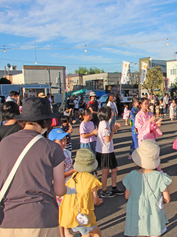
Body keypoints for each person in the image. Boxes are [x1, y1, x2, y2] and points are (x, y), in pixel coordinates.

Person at [0, 97, 66, 236]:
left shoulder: (4, 143)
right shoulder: (53, 148)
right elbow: (60, 190)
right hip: (41, 218)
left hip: (8, 219)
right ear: (46, 121)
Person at [123, 139, 171, 237]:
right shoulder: (160, 177)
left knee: (140, 233)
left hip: (138, 214)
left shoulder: (131, 176)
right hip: (154, 215)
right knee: (155, 232)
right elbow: (167, 199)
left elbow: (127, 196)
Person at [59, 148, 103, 237]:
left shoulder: (73, 177)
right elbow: (95, 200)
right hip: (82, 214)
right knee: (96, 233)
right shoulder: (92, 180)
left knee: (87, 233)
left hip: (69, 212)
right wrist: (98, 201)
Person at [48, 128, 76, 237]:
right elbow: (59, 176)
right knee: (60, 214)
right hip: (59, 188)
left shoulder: (67, 152)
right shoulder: (51, 156)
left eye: (65, 140)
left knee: (67, 211)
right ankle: (61, 234)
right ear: (52, 142)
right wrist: (74, 171)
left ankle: (67, 231)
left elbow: (70, 166)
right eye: (60, 141)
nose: (64, 143)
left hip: (69, 185)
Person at [96, 106, 123, 198]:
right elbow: (107, 139)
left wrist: (113, 129)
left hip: (108, 150)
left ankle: (114, 187)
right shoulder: (104, 124)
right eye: (111, 112)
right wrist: (114, 130)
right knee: (106, 171)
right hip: (105, 151)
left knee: (114, 169)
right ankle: (104, 190)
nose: (112, 113)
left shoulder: (105, 123)